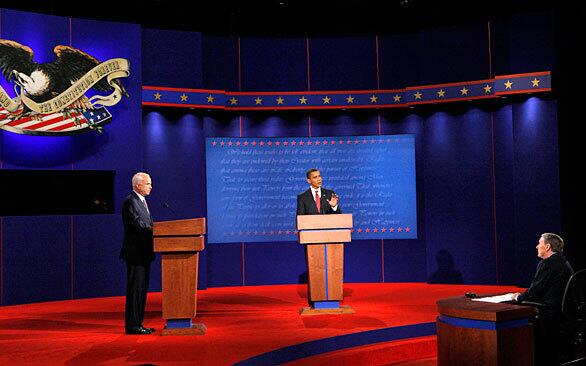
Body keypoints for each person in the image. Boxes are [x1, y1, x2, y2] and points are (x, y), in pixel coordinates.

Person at [512, 233, 574, 365]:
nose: (536, 246)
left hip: (549, 314)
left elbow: (534, 292)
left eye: (539, 243)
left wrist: (518, 297)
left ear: (547, 247)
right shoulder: (562, 261)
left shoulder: (548, 264)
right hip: (563, 313)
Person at [120, 172, 156, 335]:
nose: (151, 186)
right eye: (148, 183)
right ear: (137, 185)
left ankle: (138, 323)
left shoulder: (142, 201)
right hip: (136, 253)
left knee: (141, 289)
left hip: (144, 253)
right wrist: (155, 230)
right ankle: (133, 325)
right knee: (135, 290)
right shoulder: (130, 201)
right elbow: (138, 224)